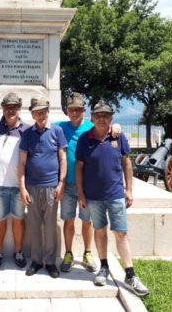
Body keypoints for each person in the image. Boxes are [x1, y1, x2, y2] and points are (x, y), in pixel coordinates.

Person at [75, 101, 149, 297]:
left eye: (105, 115)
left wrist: (129, 189)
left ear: (111, 118)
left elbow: (127, 164)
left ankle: (130, 274)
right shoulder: (85, 139)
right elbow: (79, 168)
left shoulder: (118, 136)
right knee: (100, 231)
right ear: (92, 118)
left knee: (121, 233)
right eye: (98, 115)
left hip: (115, 194)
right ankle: (104, 267)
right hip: (93, 196)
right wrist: (80, 193)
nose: (101, 118)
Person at [18, 96, 67, 278]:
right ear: (32, 114)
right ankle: (37, 261)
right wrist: (22, 188)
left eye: (44, 111)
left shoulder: (57, 131)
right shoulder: (27, 134)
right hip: (32, 186)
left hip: (51, 187)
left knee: (50, 226)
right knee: (34, 225)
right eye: (37, 112)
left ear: (48, 112)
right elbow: (22, 163)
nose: (41, 115)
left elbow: (62, 158)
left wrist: (61, 183)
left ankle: (51, 262)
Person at [55, 93, 97, 273]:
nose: (74, 113)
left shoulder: (92, 128)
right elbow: (37, 126)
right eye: (71, 109)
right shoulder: (59, 127)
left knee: (87, 221)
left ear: (84, 111)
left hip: (86, 185)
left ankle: (88, 252)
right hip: (67, 183)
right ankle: (69, 253)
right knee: (68, 219)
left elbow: (109, 131)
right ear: (66, 111)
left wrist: (117, 126)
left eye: (78, 110)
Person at [0, 93, 30, 269]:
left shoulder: (27, 130)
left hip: (18, 185)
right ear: (3, 108)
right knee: (0, 219)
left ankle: (18, 252)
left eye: (14, 106)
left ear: (19, 109)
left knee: (18, 220)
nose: (10, 110)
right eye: (7, 107)